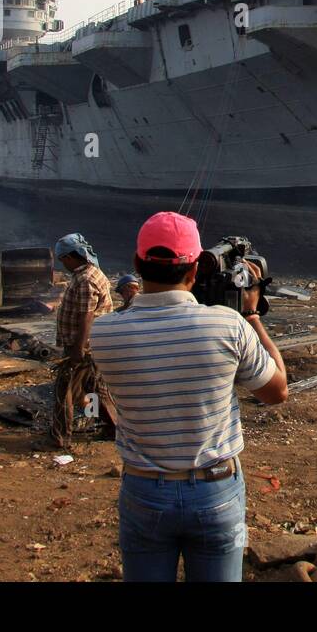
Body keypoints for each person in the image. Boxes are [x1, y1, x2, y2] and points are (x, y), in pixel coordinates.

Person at [90, 211, 288, 582]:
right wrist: (251, 314)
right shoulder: (228, 326)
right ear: (195, 270)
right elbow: (277, 392)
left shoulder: (104, 334)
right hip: (215, 490)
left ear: (136, 264)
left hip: (143, 489)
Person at [51, 233, 114, 449]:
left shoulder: (86, 279)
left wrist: (78, 348)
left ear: (70, 257)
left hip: (83, 346)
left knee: (63, 390)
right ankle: (112, 427)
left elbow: (86, 316)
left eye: (62, 260)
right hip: (91, 345)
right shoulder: (89, 274)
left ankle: (60, 437)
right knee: (94, 388)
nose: (63, 265)